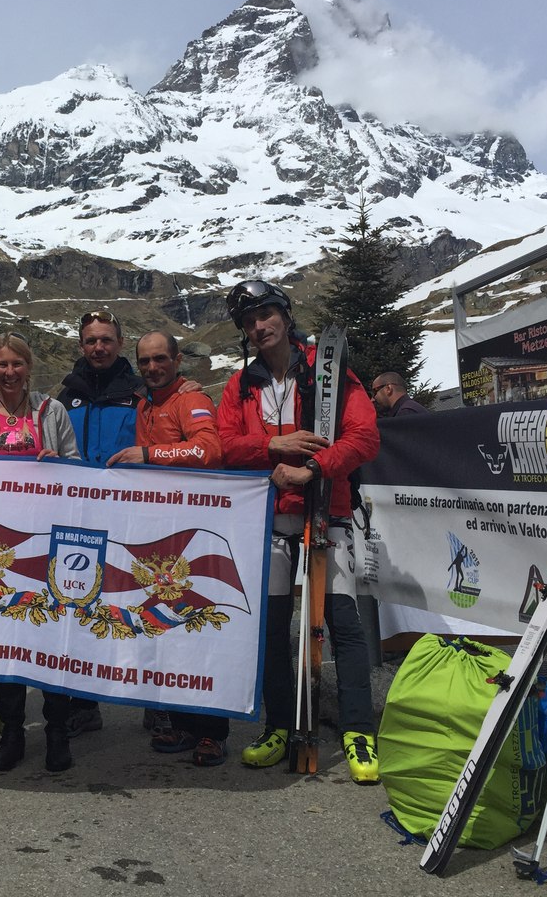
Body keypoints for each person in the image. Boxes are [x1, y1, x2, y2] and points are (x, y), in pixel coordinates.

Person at [216, 280, 382, 783]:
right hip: (269, 519)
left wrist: (313, 468)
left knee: (343, 625)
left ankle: (358, 730)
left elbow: (365, 436)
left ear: (285, 316)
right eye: (249, 321)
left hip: (325, 513)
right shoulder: (240, 386)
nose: (259, 326)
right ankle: (280, 726)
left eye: (266, 315)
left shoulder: (326, 371)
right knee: (271, 629)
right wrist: (273, 447)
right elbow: (224, 445)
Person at [0, 332, 81, 773]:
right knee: (3, 638)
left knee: (53, 635)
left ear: (29, 368)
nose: (9, 373)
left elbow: (78, 471)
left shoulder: (52, 411)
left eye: (17, 364)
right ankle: (12, 732)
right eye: (2, 365)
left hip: (46, 543)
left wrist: (59, 463)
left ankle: (56, 730)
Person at [108, 331, 227, 765]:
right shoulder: (146, 404)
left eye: (161, 359)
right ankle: (180, 721)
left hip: (193, 532)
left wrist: (149, 454)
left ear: (177, 360)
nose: (153, 367)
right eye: (145, 361)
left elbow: (209, 449)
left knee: (197, 631)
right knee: (166, 628)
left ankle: (212, 731)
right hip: (160, 535)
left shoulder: (189, 399)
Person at [56, 309, 144, 737]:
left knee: (137, 604)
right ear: (81, 345)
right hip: (78, 516)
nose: (98, 347)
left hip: (131, 516)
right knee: (77, 606)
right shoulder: (65, 396)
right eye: (91, 340)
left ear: (119, 343)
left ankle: (153, 700)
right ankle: (83, 703)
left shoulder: (140, 392)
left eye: (106, 339)